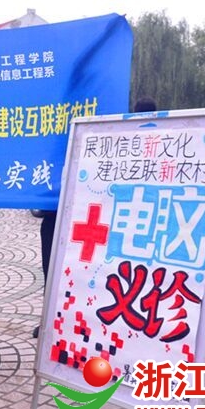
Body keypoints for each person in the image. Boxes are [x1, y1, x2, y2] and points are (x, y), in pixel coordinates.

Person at [32, 96, 158, 339]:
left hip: (88, 219)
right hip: (71, 218)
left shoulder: (118, 139)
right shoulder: (59, 142)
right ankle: (54, 320)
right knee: (65, 272)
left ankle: (66, 320)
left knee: (75, 273)